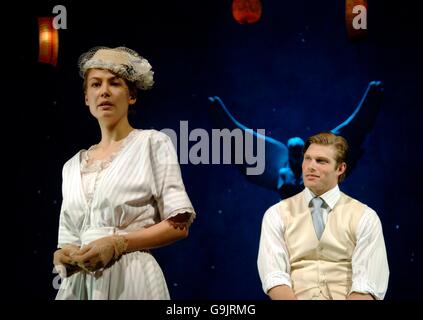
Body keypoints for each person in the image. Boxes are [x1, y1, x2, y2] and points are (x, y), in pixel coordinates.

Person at [53, 46, 196, 300]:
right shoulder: (71, 166)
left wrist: (118, 243)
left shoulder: (152, 143)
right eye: (96, 84)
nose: (104, 91)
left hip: (131, 278)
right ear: (86, 97)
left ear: (131, 95)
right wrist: (63, 255)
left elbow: (179, 225)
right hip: (80, 286)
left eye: (114, 83)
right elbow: (68, 238)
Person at [257, 132, 389, 300]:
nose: (310, 167)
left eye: (321, 161)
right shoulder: (275, 216)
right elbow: (273, 275)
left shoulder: (365, 217)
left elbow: (370, 281)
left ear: (340, 168)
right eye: (307, 159)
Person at [208, 80, 384, 199]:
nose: (296, 159)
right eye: (293, 155)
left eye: (298, 155)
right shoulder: (284, 173)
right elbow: (286, 191)